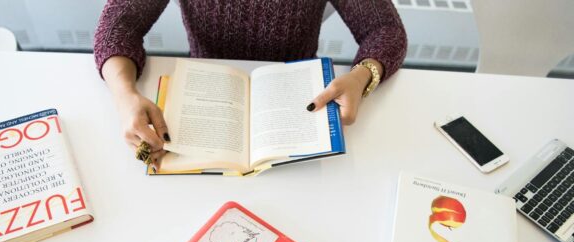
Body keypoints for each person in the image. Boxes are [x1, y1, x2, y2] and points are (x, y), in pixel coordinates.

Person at [94, 0, 407, 169]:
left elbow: (385, 29)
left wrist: (362, 75)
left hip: (296, 106)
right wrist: (125, 96)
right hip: (203, 101)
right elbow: (117, 25)